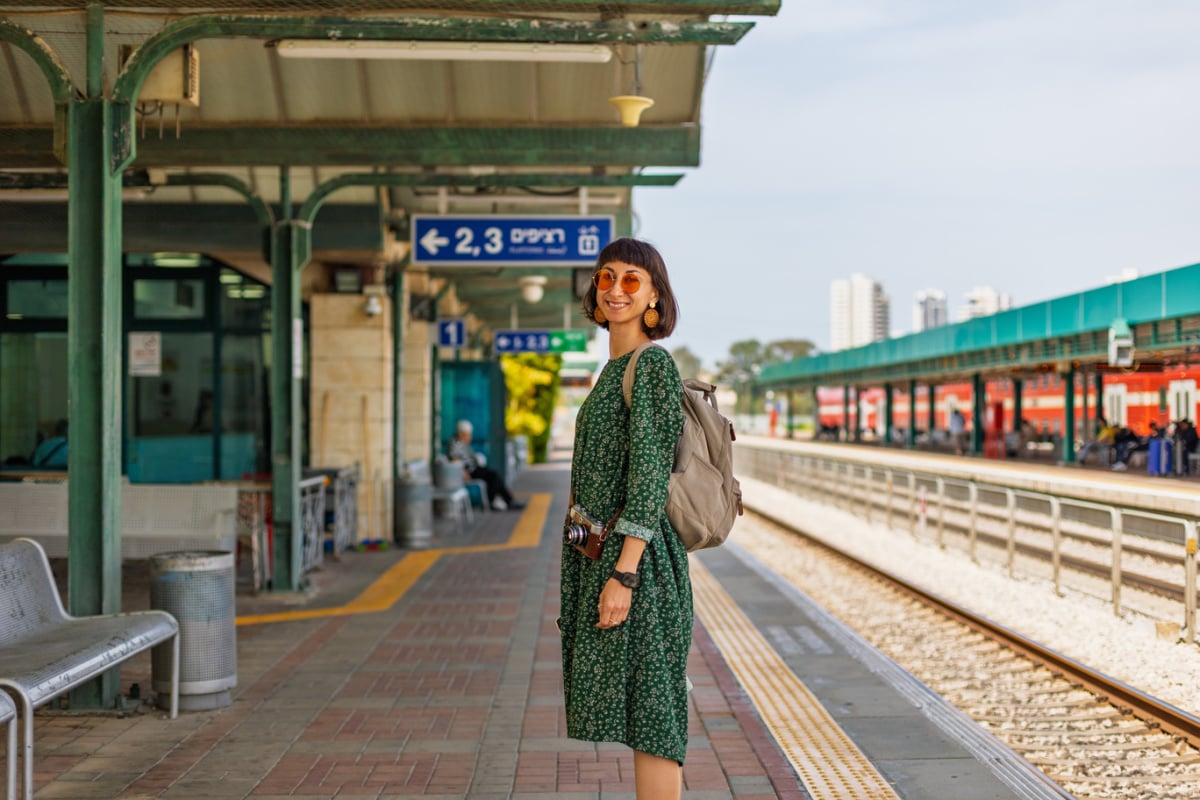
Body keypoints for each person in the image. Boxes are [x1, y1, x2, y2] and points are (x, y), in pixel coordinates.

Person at [561, 237, 689, 799]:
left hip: (638, 566)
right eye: (606, 277)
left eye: (631, 280)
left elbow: (649, 479)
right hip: (603, 556)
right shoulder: (611, 370)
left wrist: (624, 575)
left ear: (654, 295)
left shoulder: (651, 366)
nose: (615, 289)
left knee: (654, 715)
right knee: (638, 711)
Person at [446, 420, 524, 510]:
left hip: (473, 469)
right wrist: (463, 472)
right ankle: (497, 501)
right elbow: (454, 459)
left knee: (494, 475)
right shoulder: (455, 443)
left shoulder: (462, 443)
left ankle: (507, 500)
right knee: (493, 475)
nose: (470, 437)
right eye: (468, 435)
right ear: (461, 434)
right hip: (469, 471)